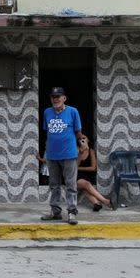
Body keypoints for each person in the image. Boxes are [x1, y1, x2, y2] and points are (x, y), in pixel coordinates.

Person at [40, 87, 82, 225]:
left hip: (69, 154)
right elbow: (47, 133)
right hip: (52, 155)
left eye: (58, 96)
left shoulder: (72, 111)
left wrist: (80, 145)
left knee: (70, 184)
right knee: (54, 185)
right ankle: (55, 212)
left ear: (64, 98)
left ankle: (72, 212)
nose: (55, 99)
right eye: (53, 97)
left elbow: (78, 132)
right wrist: (46, 152)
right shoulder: (47, 112)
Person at [77, 134, 114, 211]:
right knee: (86, 184)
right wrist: (81, 152)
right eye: (80, 139)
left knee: (85, 188)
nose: (82, 140)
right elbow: (74, 166)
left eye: (84, 138)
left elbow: (93, 168)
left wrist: (78, 168)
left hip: (86, 176)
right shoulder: (76, 150)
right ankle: (105, 201)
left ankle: (96, 203)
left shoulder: (91, 151)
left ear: (88, 140)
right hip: (75, 176)